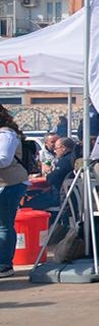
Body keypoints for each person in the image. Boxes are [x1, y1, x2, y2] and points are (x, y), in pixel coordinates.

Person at [0, 106, 29, 277]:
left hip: (11, 183)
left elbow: (4, 159)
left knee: (4, 225)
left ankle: (5, 264)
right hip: (7, 182)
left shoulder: (6, 134)